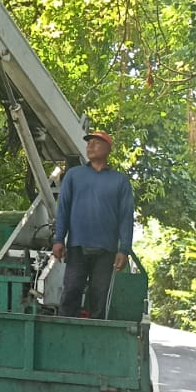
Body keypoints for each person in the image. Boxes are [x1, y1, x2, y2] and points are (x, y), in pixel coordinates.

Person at [51, 130, 134, 318]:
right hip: (77, 246)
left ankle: (94, 338)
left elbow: (126, 217)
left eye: (96, 143)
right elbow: (63, 209)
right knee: (71, 290)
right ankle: (63, 332)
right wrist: (58, 239)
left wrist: (124, 249)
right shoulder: (74, 175)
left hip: (106, 249)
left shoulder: (120, 180)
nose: (90, 146)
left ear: (107, 149)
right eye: (89, 143)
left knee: (99, 295)